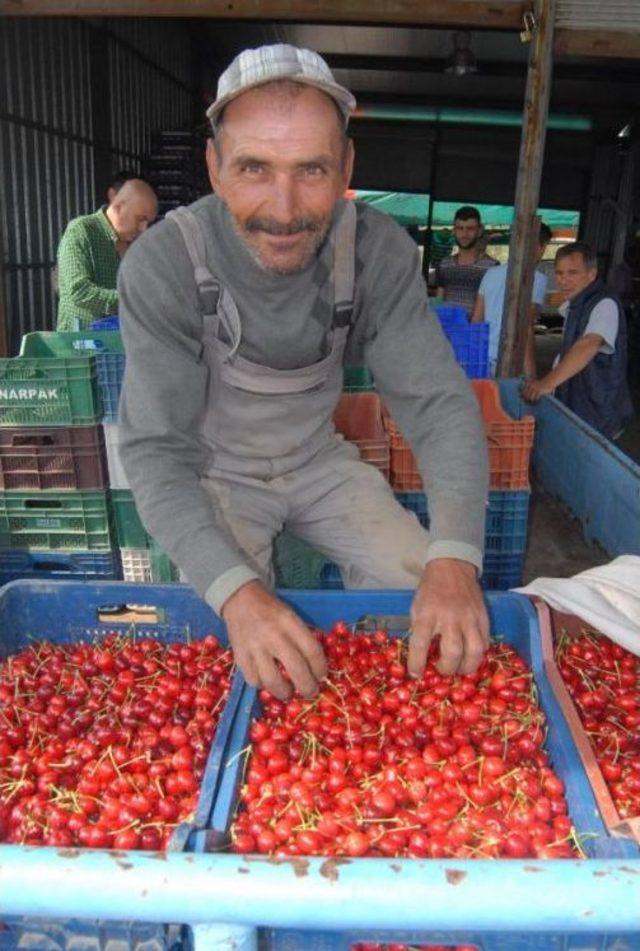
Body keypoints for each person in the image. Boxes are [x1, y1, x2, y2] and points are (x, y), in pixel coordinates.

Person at [118, 44, 490, 702]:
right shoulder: (165, 264)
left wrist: (456, 554)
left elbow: (438, 408)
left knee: (424, 596)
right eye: (254, 168)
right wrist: (236, 593)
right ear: (213, 167)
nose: (284, 208)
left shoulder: (375, 251)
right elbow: (157, 453)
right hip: (213, 473)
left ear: (346, 166)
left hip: (318, 461)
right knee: (234, 655)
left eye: (312, 169)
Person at [523, 241, 633, 439]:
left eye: (572, 273)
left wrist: (547, 383)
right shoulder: (575, 304)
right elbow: (569, 350)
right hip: (579, 404)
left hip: (599, 410)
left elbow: (588, 345)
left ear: (591, 274)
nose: (563, 280)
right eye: (559, 273)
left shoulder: (604, 303)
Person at [56, 179, 158, 331]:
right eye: (140, 219)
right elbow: (79, 292)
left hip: (120, 343)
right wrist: (131, 300)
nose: (143, 229)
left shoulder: (136, 247)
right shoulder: (81, 231)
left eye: (148, 222)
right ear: (118, 207)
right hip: (81, 347)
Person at [472, 223, 552, 377]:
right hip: (513, 363)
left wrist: (475, 360)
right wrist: (531, 376)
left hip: (485, 360)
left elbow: (476, 321)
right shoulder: (538, 279)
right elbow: (525, 329)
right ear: (539, 247)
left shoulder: (491, 273)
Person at [435, 206, 498, 312]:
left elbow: (494, 307)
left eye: (470, 229)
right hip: (445, 328)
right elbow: (439, 302)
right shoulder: (444, 264)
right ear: (454, 230)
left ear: (479, 231)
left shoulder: (492, 268)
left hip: (477, 328)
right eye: (460, 228)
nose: (464, 234)